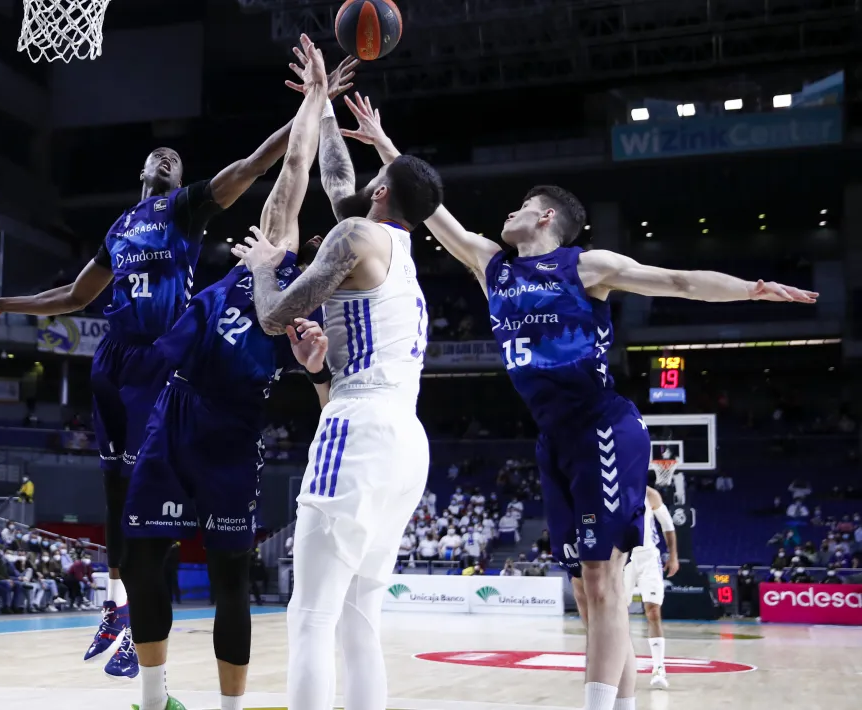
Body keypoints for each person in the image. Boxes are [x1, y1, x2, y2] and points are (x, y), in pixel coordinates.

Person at [334, 93, 817, 710]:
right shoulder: (493, 267)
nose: (508, 213)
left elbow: (675, 281)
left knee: (601, 578)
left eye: (521, 207)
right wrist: (383, 143)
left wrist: (752, 289)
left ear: (544, 220)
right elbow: (433, 212)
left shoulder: (585, 267)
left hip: (602, 428)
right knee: (590, 592)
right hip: (552, 437)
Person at [0, 53, 354, 678]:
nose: (167, 157)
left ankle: (145, 640)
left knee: (164, 510)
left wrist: (312, 103)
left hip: (175, 369)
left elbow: (275, 169)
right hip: (116, 356)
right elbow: (75, 297)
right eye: (157, 156)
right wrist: (2, 305)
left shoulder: (219, 230)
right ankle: (118, 608)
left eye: (177, 157)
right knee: (119, 493)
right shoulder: (120, 228)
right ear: (142, 170)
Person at [115, 35, 338, 703]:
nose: (319, 240)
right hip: (176, 406)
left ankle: (229, 706)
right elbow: (295, 167)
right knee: (139, 560)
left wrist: (316, 368)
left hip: (232, 432)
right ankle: (154, 701)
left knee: (230, 578)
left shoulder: (310, 307)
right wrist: (316, 101)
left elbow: (326, 386)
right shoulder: (272, 249)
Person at [230, 39, 444, 710]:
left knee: (311, 616)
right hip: (407, 438)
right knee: (358, 617)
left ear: (380, 193)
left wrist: (267, 264)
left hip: (360, 424)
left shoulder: (356, 239)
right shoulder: (399, 252)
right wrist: (322, 111)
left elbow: (271, 317)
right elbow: (337, 185)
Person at [620, 485, 679, 689]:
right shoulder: (610, 492)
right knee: (617, 614)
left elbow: (668, 526)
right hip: (622, 558)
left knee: (653, 611)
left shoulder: (650, 494)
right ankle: (617, 665)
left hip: (648, 557)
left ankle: (659, 668)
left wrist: (673, 557)